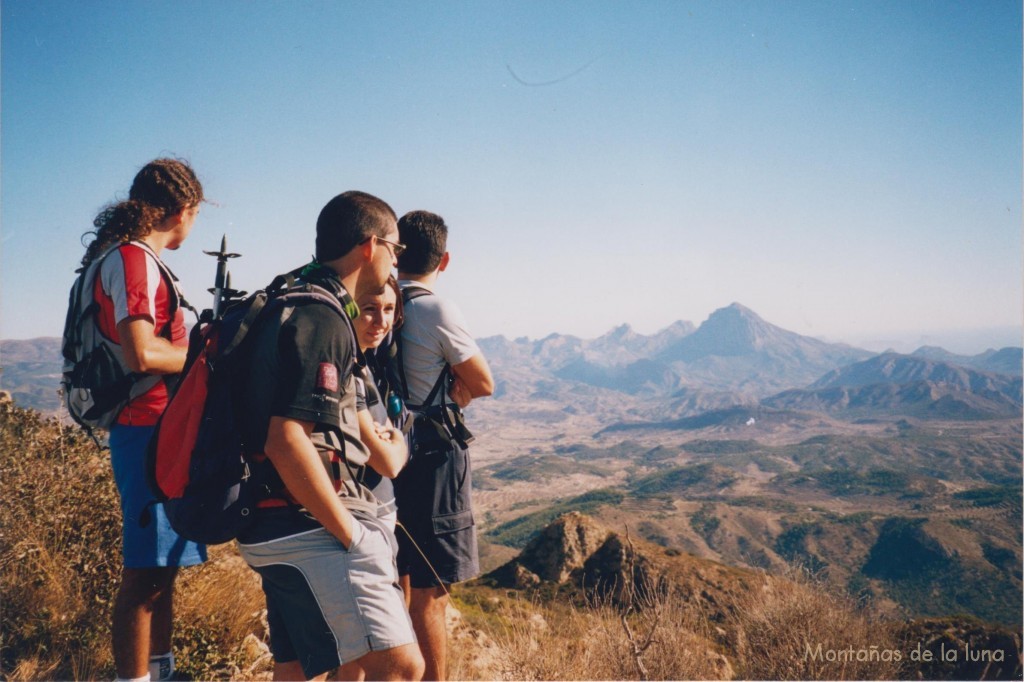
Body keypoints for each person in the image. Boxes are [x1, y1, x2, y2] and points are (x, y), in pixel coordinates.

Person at [234, 191, 424, 682]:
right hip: (305, 525)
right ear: (370, 245)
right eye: (396, 250)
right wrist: (352, 536)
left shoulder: (289, 298)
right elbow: (286, 438)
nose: (396, 262)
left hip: (266, 519)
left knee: (297, 670)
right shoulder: (324, 316)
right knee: (402, 668)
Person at [77, 158, 207, 682]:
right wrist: (203, 355)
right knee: (145, 575)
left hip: (157, 426)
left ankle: (161, 669)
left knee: (162, 568)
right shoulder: (134, 259)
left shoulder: (127, 256)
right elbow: (140, 354)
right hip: (147, 426)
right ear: (184, 210)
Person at [392, 210, 495, 681]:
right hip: (434, 457)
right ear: (444, 259)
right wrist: (458, 391)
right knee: (431, 593)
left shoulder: (379, 302)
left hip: (387, 453)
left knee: (400, 579)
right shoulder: (435, 308)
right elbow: (483, 382)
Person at [353, 276, 408, 532]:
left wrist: (392, 436)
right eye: (369, 309)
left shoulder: (363, 365)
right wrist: (398, 440)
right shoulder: (347, 372)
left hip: (375, 513)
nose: (382, 322)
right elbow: (389, 463)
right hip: (366, 520)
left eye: (389, 310)